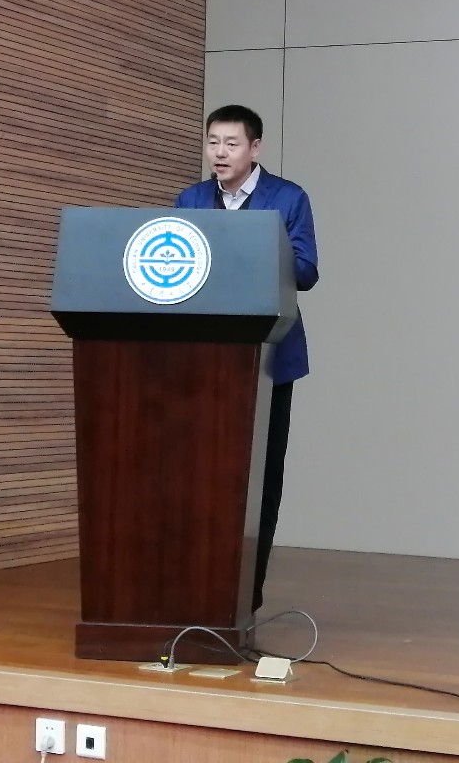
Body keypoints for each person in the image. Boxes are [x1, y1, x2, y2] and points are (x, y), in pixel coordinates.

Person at [175, 104, 317, 612]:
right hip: (202, 357)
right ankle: (196, 588)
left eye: (231, 143)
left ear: (254, 148)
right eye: (213, 142)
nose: (220, 153)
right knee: (200, 474)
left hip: (269, 355)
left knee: (261, 478)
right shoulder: (191, 199)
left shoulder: (288, 198)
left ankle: (246, 596)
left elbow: (307, 270)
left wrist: (251, 246)